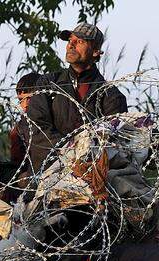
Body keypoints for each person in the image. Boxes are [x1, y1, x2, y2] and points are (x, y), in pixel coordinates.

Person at [26, 22, 128, 171]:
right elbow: (37, 129)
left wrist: (83, 159)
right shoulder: (48, 83)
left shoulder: (111, 96)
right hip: (48, 173)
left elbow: (112, 143)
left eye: (79, 41)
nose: (71, 45)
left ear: (95, 52)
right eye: (69, 41)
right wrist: (71, 152)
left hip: (92, 179)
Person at [10, 72, 40, 169]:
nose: (25, 104)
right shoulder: (18, 131)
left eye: (29, 98)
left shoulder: (58, 120)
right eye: (21, 100)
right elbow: (16, 164)